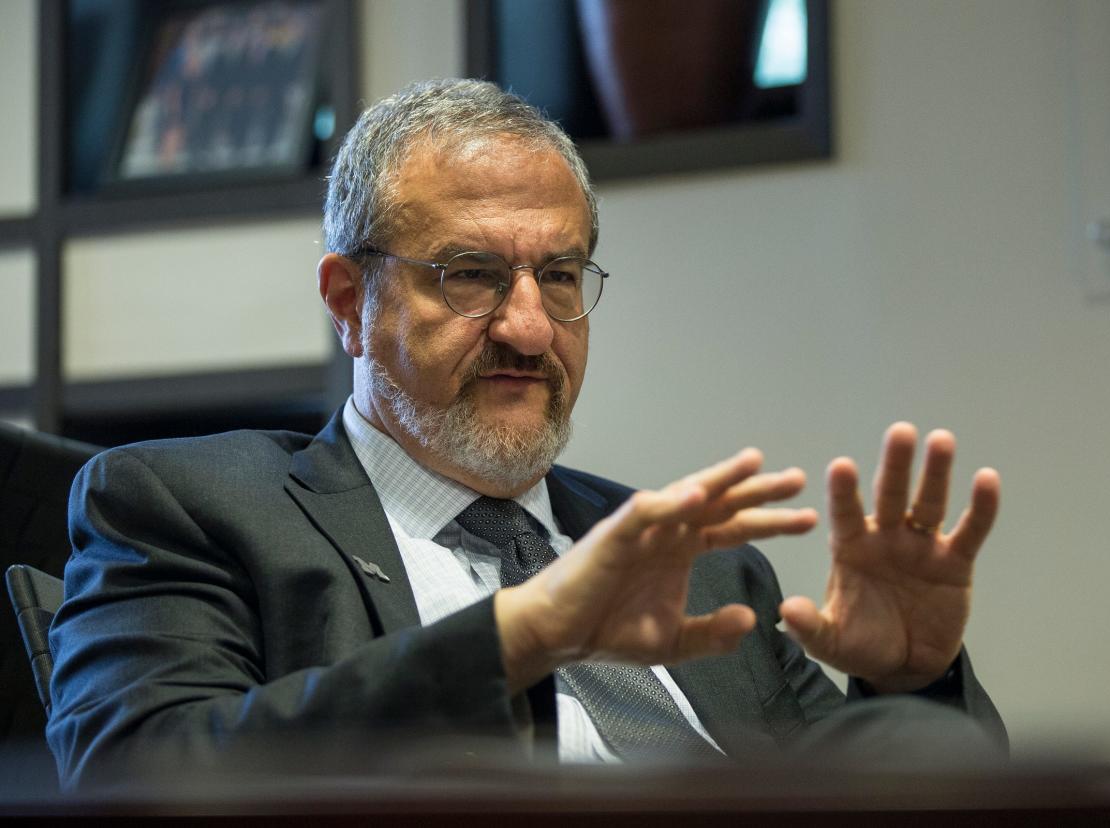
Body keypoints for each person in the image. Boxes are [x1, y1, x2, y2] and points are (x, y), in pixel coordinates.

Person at [47, 79, 1005, 788]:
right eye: (468, 273)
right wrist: (520, 634)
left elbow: (891, 805)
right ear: (349, 301)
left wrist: (912, 681)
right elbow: (135, 778)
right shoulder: (191, 506)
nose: (531, 328)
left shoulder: (696, 564)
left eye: (559, 275)